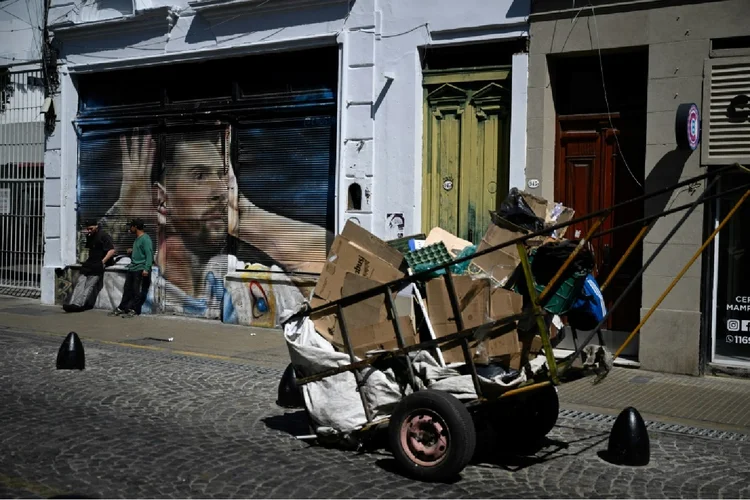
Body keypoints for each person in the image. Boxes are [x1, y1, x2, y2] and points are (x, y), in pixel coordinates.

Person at [97, 130, 328, 318]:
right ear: (162, 200)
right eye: (199, 175)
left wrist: (245, 217)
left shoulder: (242, 287)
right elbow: (93, 258)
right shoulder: (117, 283)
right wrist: (124, 209)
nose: (221, 191)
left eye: (221, 176)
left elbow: (335, 263)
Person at [62, 219, 115, 313]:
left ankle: (79, 305)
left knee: (89, 286)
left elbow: (111, 251)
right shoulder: (90, 236)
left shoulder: (104, 236)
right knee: (80, 282)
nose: (89, 230)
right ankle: (74, 303)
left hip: (97, 264)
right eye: (88, 229)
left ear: (96, 226)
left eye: (91, 228)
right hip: (88, 263)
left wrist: (102, 262)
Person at [109, 218, 154, 318]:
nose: (130, 228)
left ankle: (134, 309)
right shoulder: (137, 238)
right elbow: (141, 251)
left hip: (140, 268)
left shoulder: (146, 239)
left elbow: (149, 255)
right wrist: (132, 250)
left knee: (136, 291)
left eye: (131, 226)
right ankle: (122, 307)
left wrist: (146, 268)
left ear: (135, 227)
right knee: (127, 289)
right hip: (132, 268)